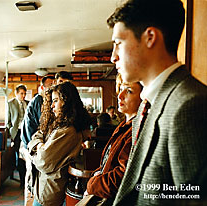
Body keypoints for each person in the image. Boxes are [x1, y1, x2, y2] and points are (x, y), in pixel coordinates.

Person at [107, 0, 207, 205]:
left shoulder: (189, 105)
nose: (112, 57)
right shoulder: (146, 105)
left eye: (118, 43)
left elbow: (193, 197)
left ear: (150, 38)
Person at [27, 81, 91, 206]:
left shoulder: (68, 130)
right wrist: (41, 146)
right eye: (51, 101)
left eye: (55, 101)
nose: (52, 106)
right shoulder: (58, 124)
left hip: (48, 191)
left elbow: (43, 161)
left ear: (66, 102)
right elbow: (37, 134)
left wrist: (36, 147)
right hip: (44, 187)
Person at [83, 74, 142, 205]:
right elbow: (107, 163)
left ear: (144, 97)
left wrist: (92, 184)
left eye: (129, 91)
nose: (120, 96)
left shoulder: (136, 130)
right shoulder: (123, 126)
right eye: (120, 88)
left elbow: (123, 178)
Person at [21, 76, 54, 205]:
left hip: (31, 144)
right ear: (42, 88)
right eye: (50, 85)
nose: (53, 87)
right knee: (33, 181)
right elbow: (44, 126)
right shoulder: (39, 100)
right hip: (31, 145)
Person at [6, 84, 29, 187]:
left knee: (27, 156)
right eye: (21, 93)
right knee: (19, 157)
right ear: (16, 93)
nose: (23, 96)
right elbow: (8, 121)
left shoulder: (28, 103)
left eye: (25, 93)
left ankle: (28, 179)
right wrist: (12, 134)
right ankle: (22, 181)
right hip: (16, 133)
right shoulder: (10, 104)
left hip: (27, 133)